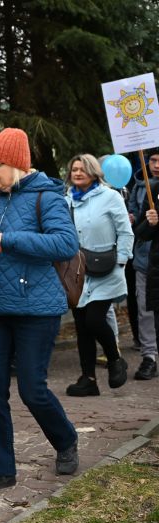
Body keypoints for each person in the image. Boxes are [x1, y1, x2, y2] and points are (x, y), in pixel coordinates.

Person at [0, 128, 80, 495]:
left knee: (32, 389)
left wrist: (6, 239)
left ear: (15, 163)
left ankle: (66, 440)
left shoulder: (48, 197)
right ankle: (0, 470)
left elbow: (65, 243)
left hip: (37, 311)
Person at [64, 154, 133, 396]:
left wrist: (121, 261)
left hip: (107, 269)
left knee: (94, 320)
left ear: (94, 172)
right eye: (74, 169)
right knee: (82, 326)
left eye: (82, 169)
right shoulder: (66, 201)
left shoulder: (110, 197)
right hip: (77, 272)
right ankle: (88, 379)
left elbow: (125, 232)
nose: (77, 173)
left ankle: (115, 359)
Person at [128, 148, 159, 380]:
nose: (157, 165)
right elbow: (140, 231)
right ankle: (149, 357)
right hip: (146, 261)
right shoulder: (145, 188)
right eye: (153, 160)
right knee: (145, 310)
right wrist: (146, 222)